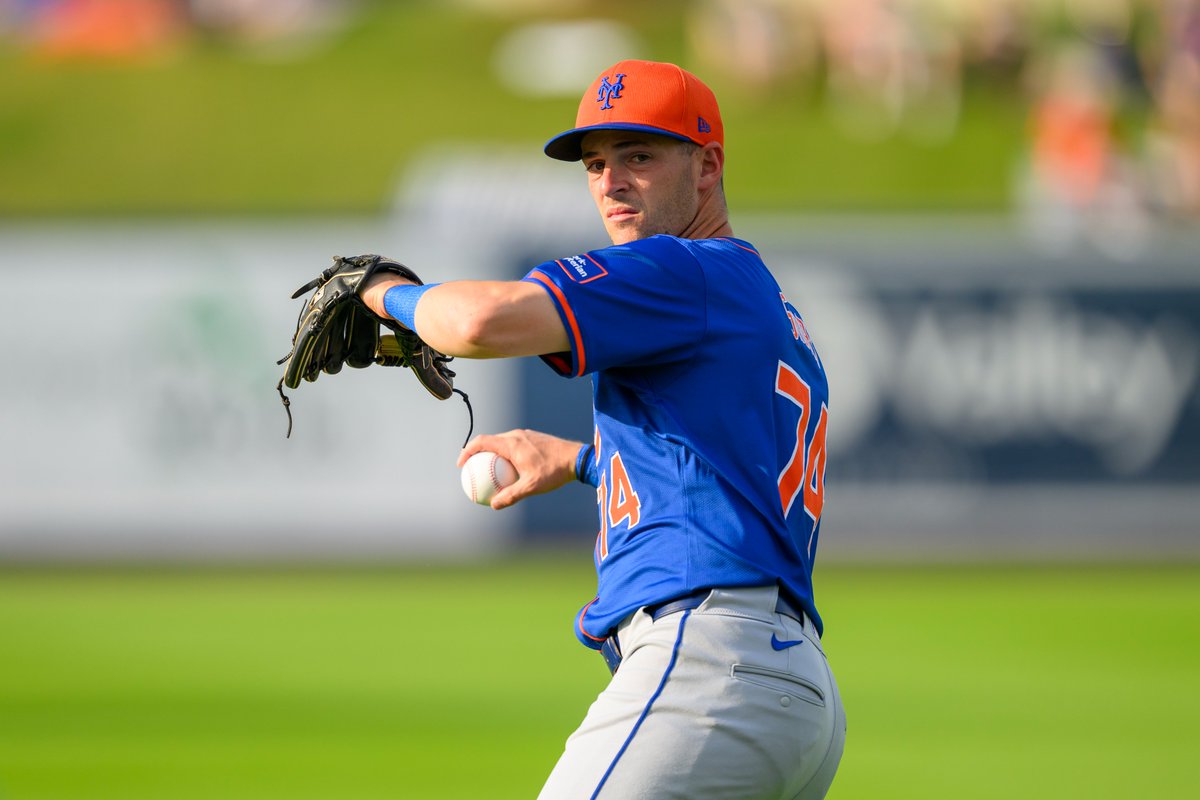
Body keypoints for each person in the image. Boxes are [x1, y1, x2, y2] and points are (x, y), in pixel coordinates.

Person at [361, 59, 845, 799]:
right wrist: (588, 461)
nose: (612, 182)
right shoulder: (764, 300)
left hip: (706, 665)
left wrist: (378, 290)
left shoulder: (682, 270)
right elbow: (724, 481)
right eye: (595, 163)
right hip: (793, 687)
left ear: (707, 165)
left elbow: (477, 322)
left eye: (639, 156)